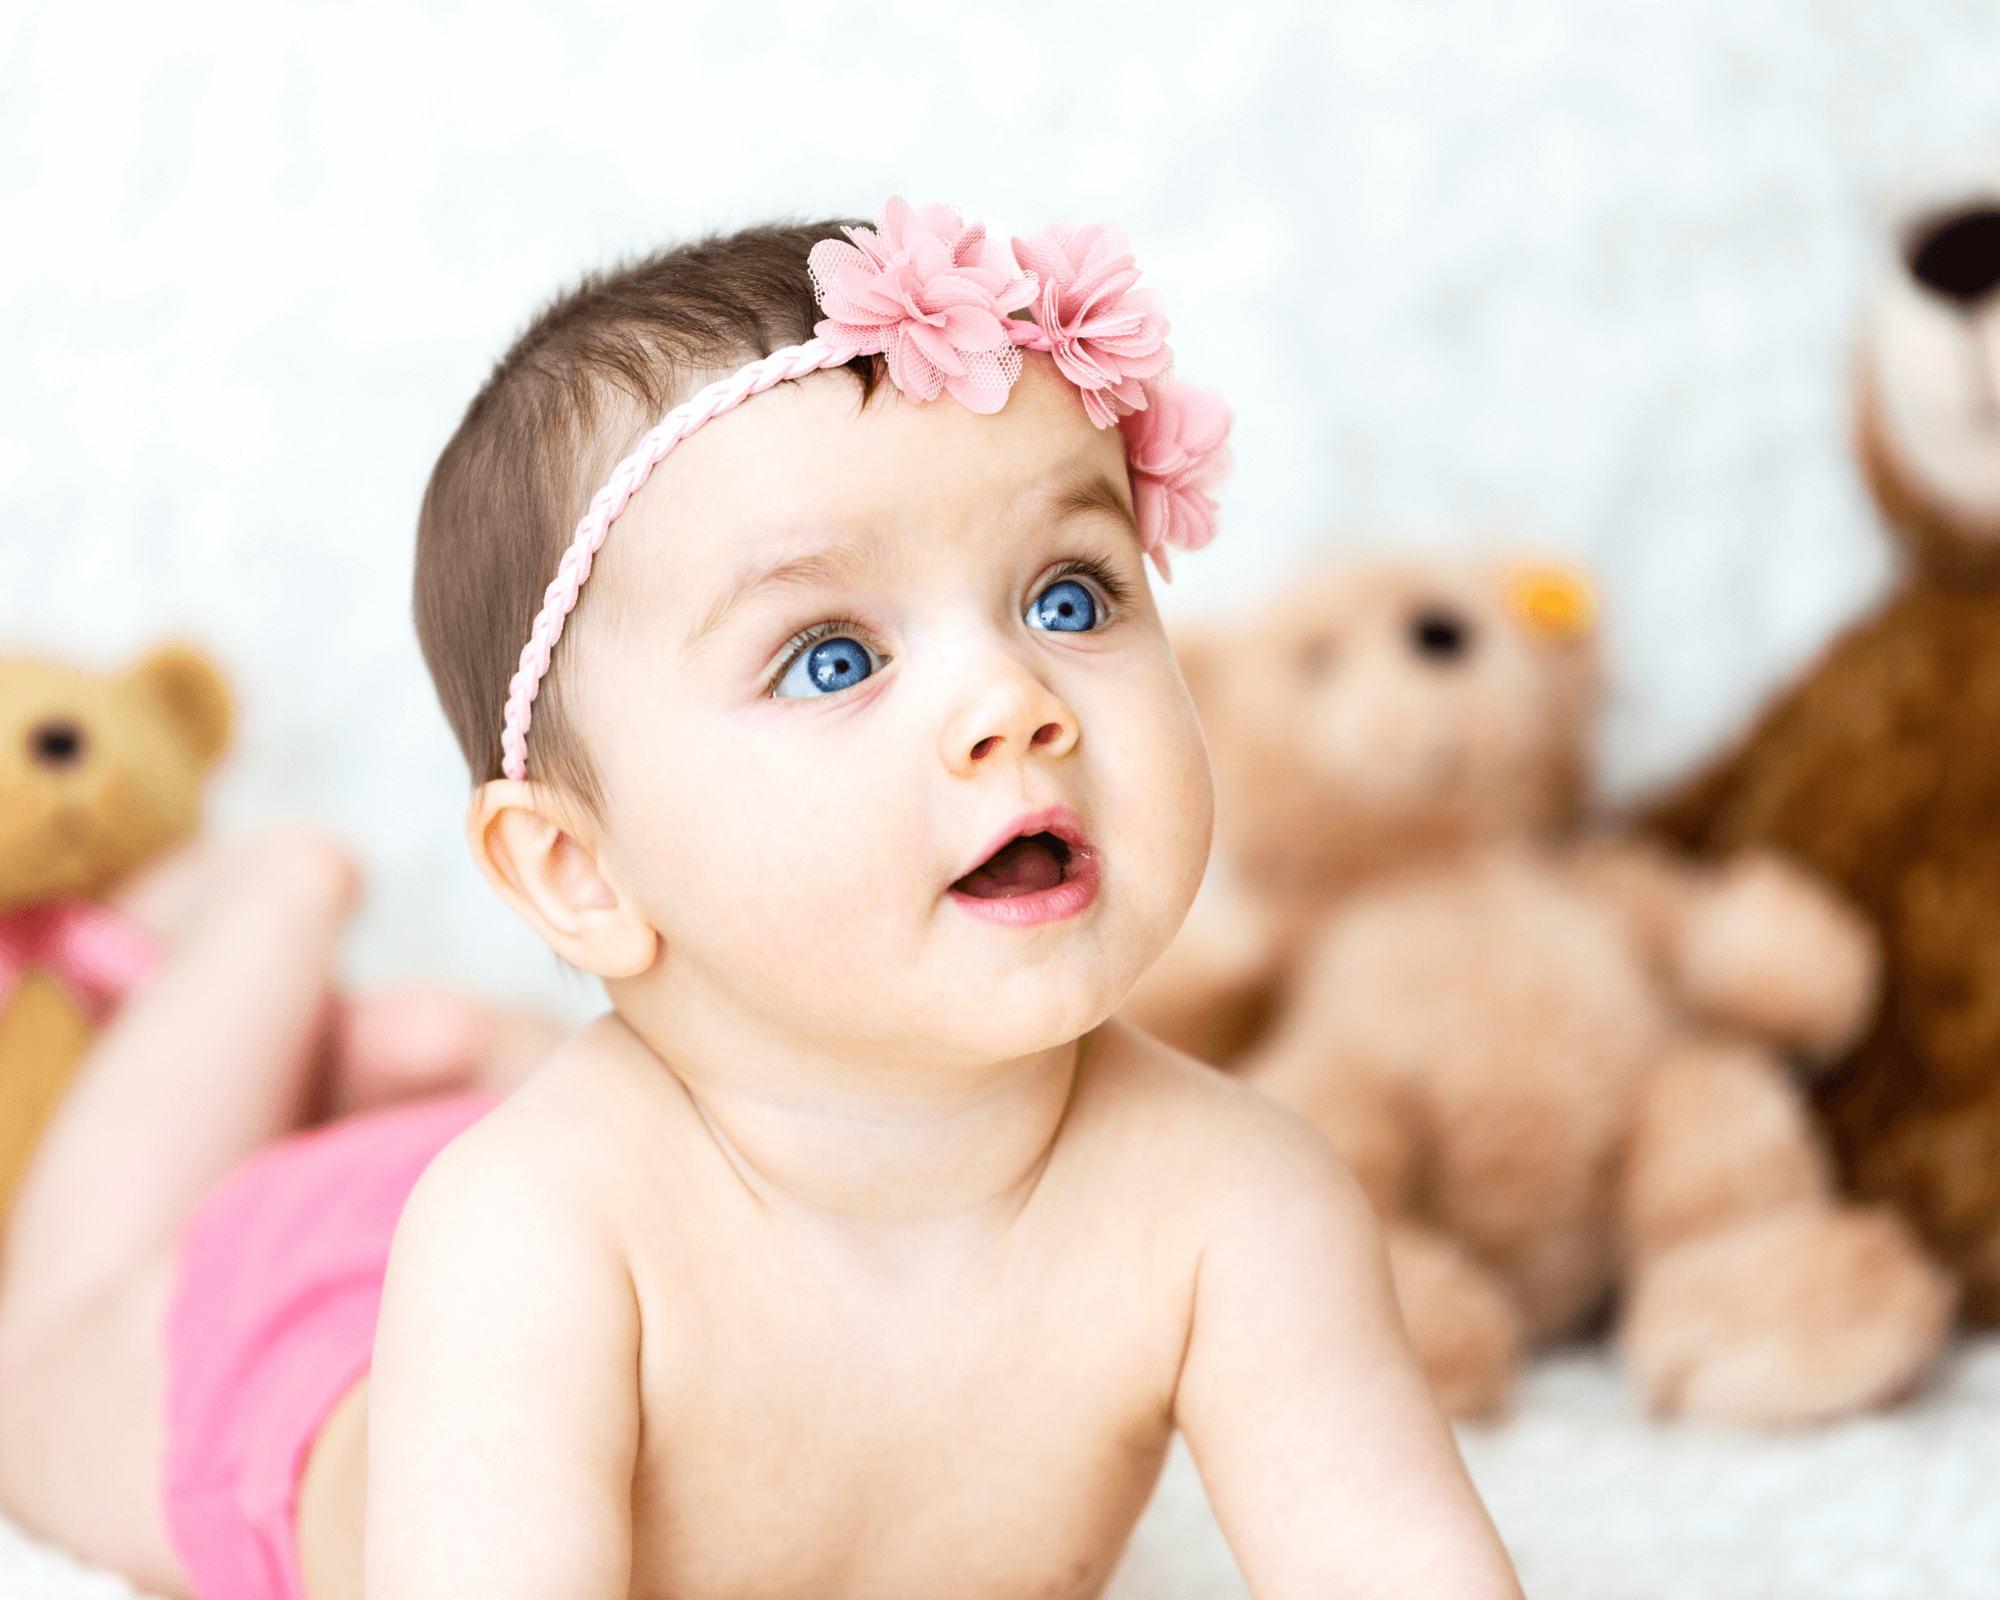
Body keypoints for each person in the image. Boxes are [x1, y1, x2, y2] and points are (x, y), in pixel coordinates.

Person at [0, 200, 1524, 1600]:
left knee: (736, 1028)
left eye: (1070, 594)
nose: (1016, 696)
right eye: (833, 657)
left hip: (635, 1107)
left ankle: (448, 1054)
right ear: (579, 871)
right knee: (36, 1364)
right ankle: (271, 908)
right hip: (309, 1346)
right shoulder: (529, 1230)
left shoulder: (1243, 1201)